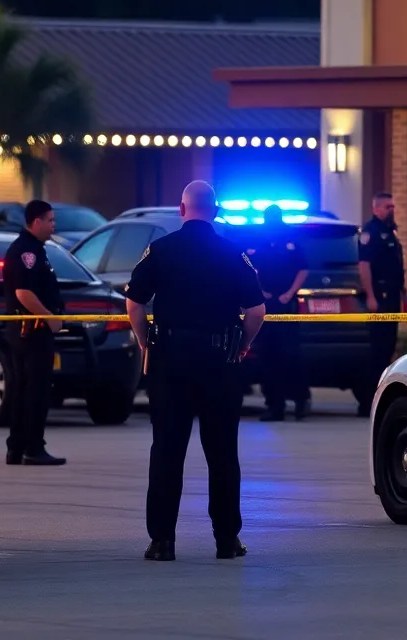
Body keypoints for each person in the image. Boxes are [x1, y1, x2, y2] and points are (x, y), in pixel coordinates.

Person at [124, 181, 266, 562]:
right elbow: (256, 312)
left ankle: (162, 542)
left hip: (170, 362)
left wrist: (144, 343)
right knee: (221, 453)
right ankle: (226, 540)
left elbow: (134, 303)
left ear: (181, 208)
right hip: (221, 362)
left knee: (167, 450)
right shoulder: (233, 253)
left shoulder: (161, 249)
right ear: (216, 211)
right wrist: (244, 344)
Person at [2, 200, 66, 467]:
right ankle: (33, 448)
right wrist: (49, 318)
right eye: (50, 220)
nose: (53, 226)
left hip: (27, 333)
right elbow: (23, 293)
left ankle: (17, 448)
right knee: (35, 391)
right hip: (33, 333)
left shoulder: (34, 249)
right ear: (36, 222)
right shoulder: (27, 252)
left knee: (23, 389)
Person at [250, 204, 310, 422]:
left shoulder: (291, 237)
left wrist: (289, 293)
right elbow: (251, 268)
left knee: (291, 356)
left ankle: (301, 401)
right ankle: (275, 407)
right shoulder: (260, 238)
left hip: (287, 306)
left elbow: (303, 269)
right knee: (268, 357)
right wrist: (261, 291)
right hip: (267, 306)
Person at [356, 192, 407, 416]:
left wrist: (404, 295)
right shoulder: (371, 232)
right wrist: (370, 295)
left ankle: (380, 398)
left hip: (393, 295)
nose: (391, 210)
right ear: (376, 208)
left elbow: (397, 267)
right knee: (377, 350)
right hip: (380, 296)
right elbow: (364, 266)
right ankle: (368, 401)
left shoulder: (390, 231)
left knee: (388, 347)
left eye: (393, 206)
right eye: (387, 207)